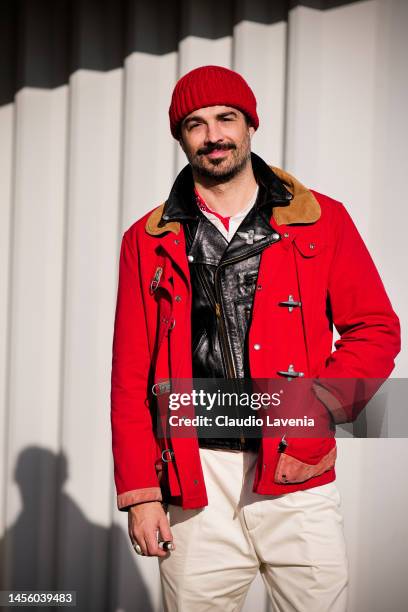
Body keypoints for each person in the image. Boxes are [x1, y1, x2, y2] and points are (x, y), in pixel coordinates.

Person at [110, 65, 400, 611]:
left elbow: (375, 329)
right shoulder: (146, 240)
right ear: (180, 137)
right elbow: (130, 374)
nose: (213, 135)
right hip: (193, 480)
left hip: (296, 473)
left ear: (249, 126)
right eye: (195, 124)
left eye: (226, 118)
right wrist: (141, 496)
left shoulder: (322, 219)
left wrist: (316, 412)